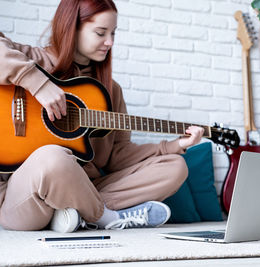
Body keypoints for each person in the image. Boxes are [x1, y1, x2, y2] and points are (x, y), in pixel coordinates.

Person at [0, 0, 204, 232]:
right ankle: (104, 217)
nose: (110, 42)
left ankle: (73, 213)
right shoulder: (33, 60)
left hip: (88, 185)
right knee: (53, 157)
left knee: (175, 166)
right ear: (71, 27)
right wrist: (37, 83)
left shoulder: (110, 90)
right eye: (100, 32)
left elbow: (117, 155)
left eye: (113, 33)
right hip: (26, 200)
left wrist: (175, 145)